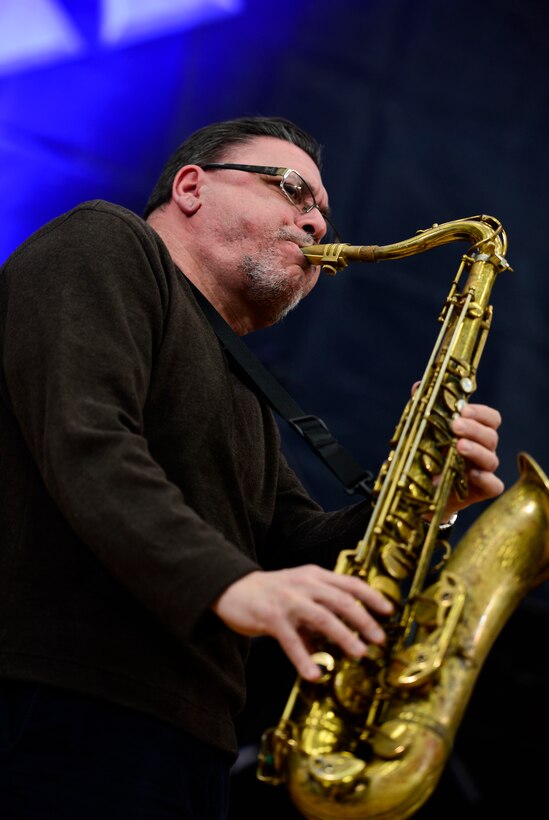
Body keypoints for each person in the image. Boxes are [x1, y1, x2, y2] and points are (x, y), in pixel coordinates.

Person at [0, 116, 503, 819]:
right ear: (191, 187)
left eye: (322, 213)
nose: (315, 221)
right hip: (57, 702)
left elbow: (294, 547)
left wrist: (429, 501)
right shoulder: (103, 242)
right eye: (293, 190)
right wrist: (228, 583)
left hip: (187, 741)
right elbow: (88, 441)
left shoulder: (240, 384)